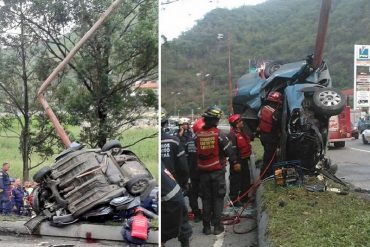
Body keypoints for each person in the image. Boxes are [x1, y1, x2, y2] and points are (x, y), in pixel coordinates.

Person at [195, 106, 239, 235]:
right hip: (217, 173)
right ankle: (217, 227)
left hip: (202, 173)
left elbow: (193, 154)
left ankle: (206, 227)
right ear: (215, 120)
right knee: (218, 199)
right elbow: (229, 151)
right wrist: (235, 162)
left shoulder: (197, 135)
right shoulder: (219, 134)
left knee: (206, 200)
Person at [161, 111, 192, 247]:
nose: (185, 126)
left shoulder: (178, 137)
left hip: (160, 188)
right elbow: (183, 167)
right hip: (173, 187)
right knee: (182, 219)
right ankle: (184, 242)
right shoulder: (173, 140)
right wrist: (185, 184)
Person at [177, 118, 202, 222]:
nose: (186, 126)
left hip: (194, 171)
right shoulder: (178, 136)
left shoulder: (190, 137)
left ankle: (198, 214)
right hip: (192, 171)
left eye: (187, 124)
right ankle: (197, 214)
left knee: (195, 194)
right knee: (192, 194)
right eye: (184, 124)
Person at [161, 163, 192, 247]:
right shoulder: (161, 164)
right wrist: (185, 182)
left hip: (170, 201)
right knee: (182, 223)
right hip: (177, 193)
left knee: (162, 236)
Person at [228, 114, 252, 206]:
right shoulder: (232, 135)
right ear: (236, 124)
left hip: (244, 159)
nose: (242, 122)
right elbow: (232, 150)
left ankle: (244, 197)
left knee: (246, 179)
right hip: (237, 161)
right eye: (240, 121)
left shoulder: (242, 132)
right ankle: (234, 200)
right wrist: (235, 162)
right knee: (235, 180)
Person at [258, 91, 283, 178]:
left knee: (268, 155)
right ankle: (265, 176)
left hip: (263, 136)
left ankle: (268, 174)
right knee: (271, 158)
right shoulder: (276, 113)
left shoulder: (263, 108)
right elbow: (279, 125)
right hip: (271, 138)